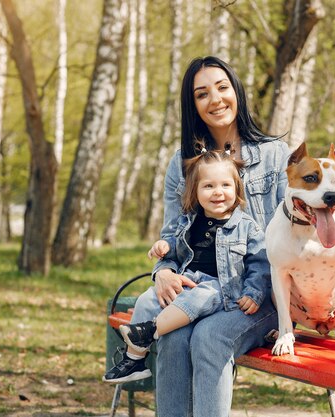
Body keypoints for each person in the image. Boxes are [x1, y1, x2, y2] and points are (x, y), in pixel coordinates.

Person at [109, 56, 289, 417]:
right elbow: (172, 235)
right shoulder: (182, 164)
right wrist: (162, 272)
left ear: (236, 91)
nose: (216, 99)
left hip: (258, 294)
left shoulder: (274, 155)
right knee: (173, 334)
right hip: (196, 286)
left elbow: (293, 233)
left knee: (208, 337)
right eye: (202, 93)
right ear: (192, 105)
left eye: (222, 87)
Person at [103, 145, 270, 384]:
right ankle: (135, 359)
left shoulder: (247, 227)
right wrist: (164, 246)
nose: (218, 192)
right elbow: (174, 244)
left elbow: (260, 264)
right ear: (196, 190)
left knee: (200, 295)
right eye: (208, 186)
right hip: (188, 280)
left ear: (236, 189)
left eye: (225, 185)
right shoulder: (188, 221)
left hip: (220, 289)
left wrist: (253, 292)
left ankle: (150, 330)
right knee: (147, 299)